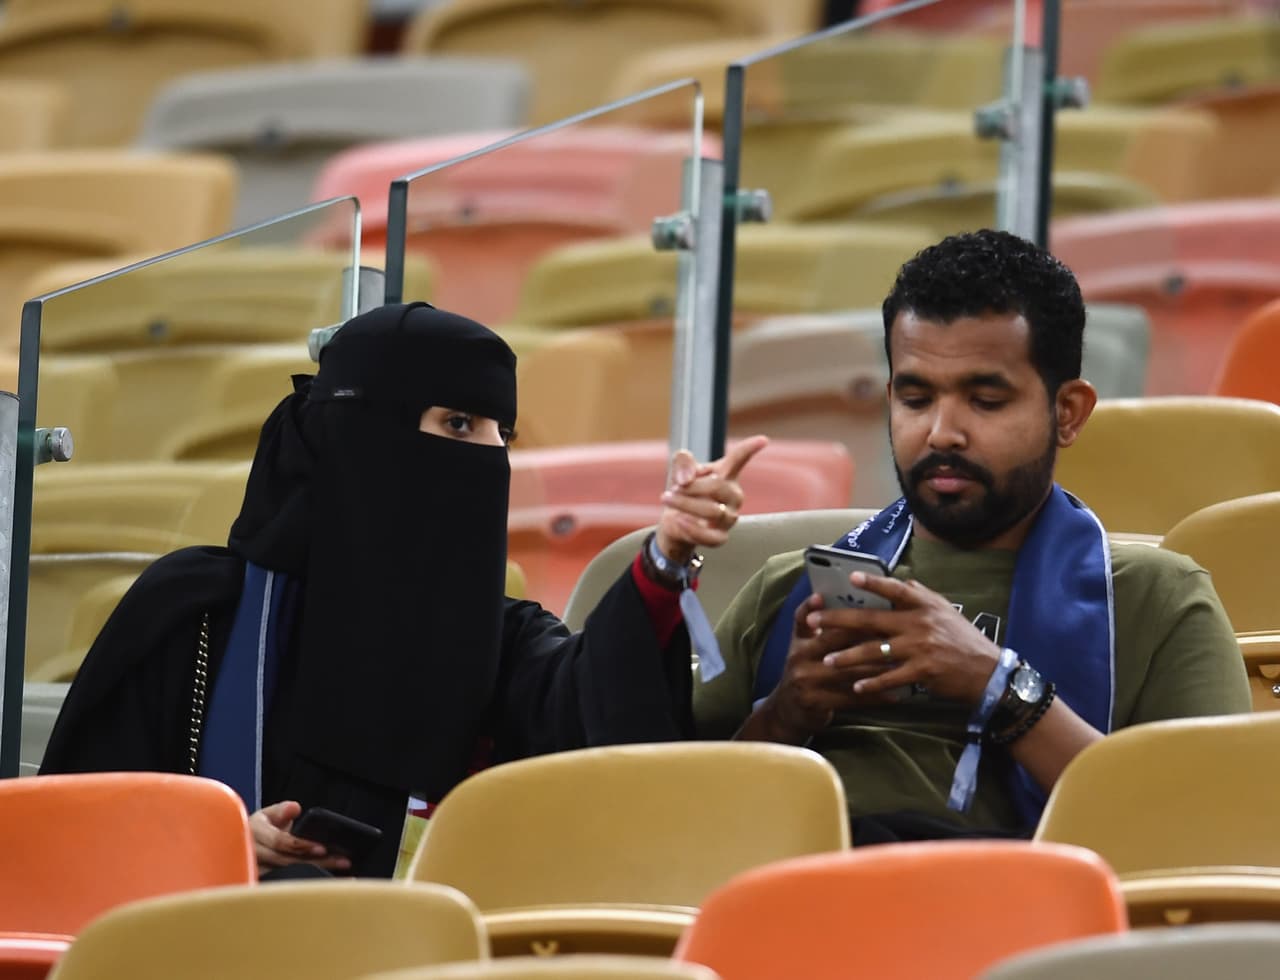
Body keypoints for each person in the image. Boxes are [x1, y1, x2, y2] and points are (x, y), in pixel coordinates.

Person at [42, 302, 768, 877]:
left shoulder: (497, 641)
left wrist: (667, 558)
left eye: (501, 433)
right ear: (364, 436)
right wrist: (217, 841)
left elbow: (593, 716)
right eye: (458, 423)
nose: (489, 458)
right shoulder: (199, 615)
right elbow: (75, 837)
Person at [695, 229, 1251, 841]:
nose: (941, 433)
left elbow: (1209, 830)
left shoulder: (1157, 599)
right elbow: (679, 817)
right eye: (915, 398)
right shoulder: (789, 590)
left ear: (1067, 413)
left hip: (1022, 905)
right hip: (788, 888)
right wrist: (785, 714)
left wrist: (1001, 689)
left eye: (985, 401)